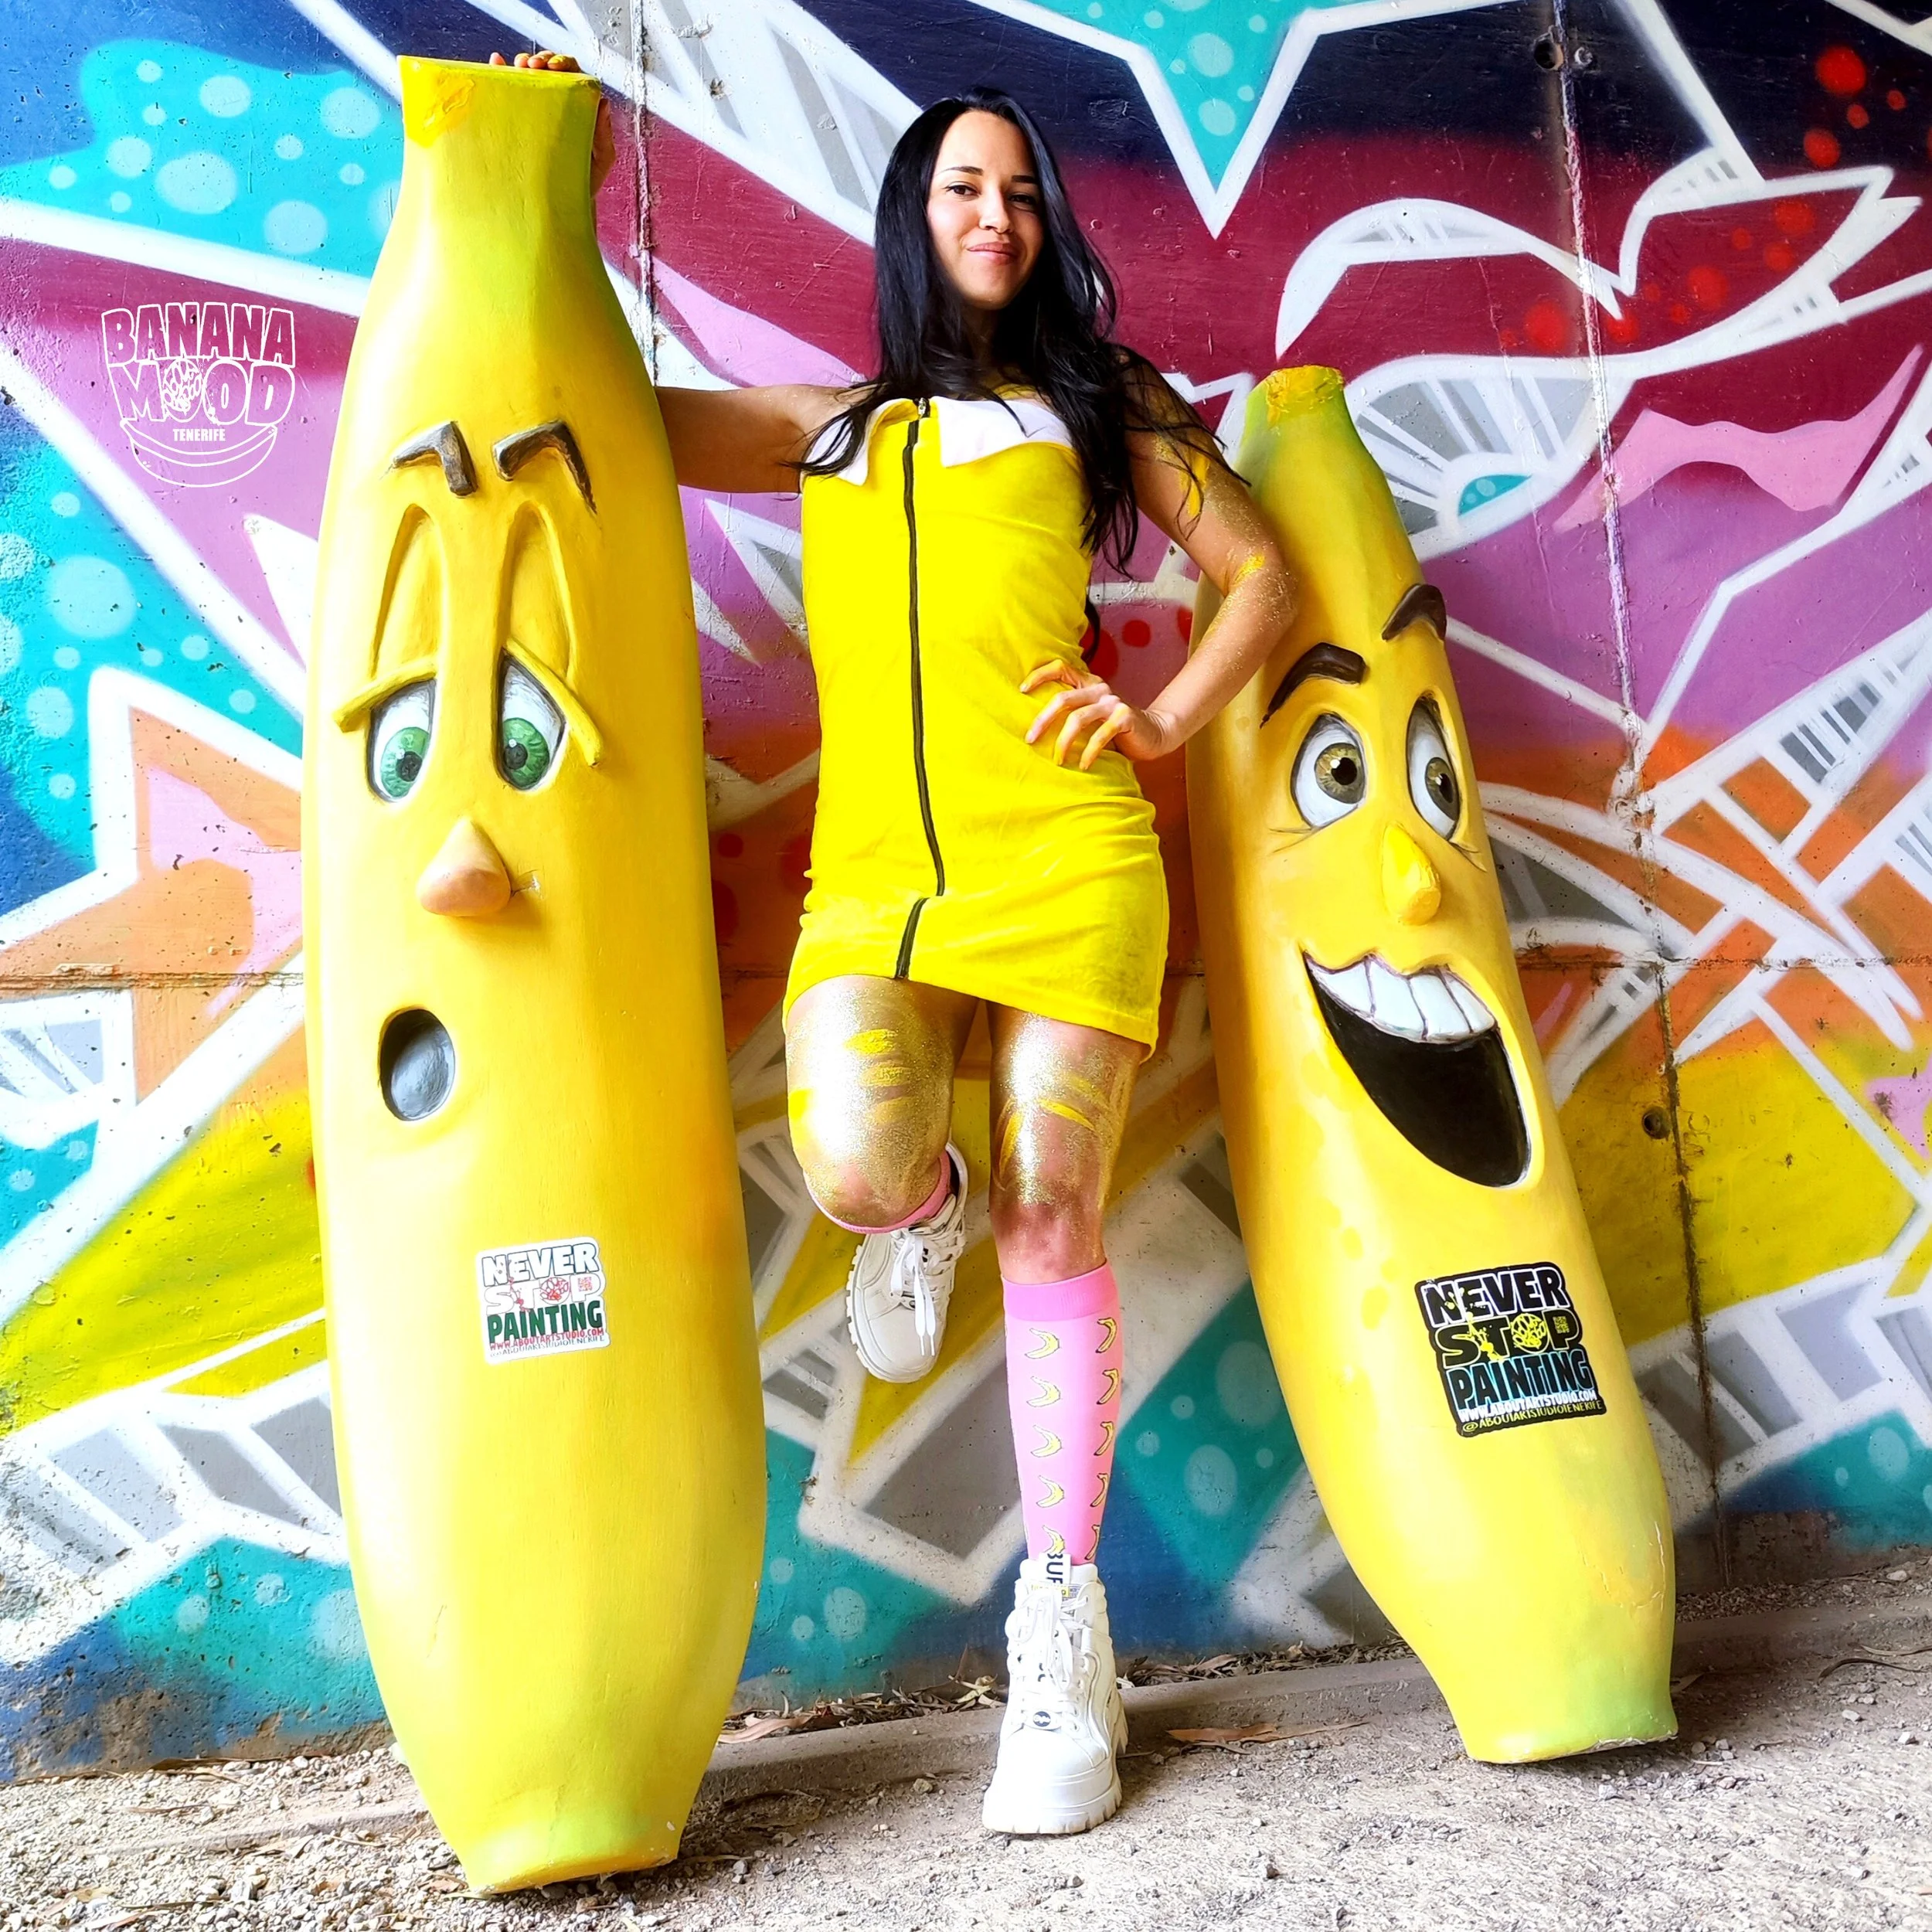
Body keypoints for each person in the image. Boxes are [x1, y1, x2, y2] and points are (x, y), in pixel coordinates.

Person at [535, 53, 1298, 1833]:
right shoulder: (833, 426)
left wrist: (1162, 717)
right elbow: (595, 402)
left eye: (1021, 192)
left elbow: (1254, 573)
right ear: (912, 214)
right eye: (964, 186)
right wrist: (545, 188)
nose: (995, 214)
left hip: (1070, 857)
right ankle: (918, 1205)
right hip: (874, 874)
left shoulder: (1099, 401)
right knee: (857, 1155)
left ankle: (1060, 1625)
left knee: (1059, 1206)